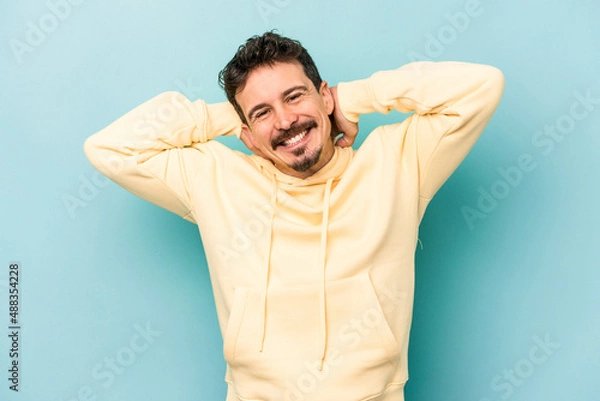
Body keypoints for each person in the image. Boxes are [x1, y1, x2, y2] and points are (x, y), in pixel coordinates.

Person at [84, 31, 504, 401]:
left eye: (294, 96)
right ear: (244, 134)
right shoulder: (214, 179)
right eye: (262, 113)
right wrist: (228, 117)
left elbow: (482, 87)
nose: (286, 121)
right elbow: (109, 149)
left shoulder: (398, 164)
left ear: (324, 97)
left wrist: (354, 96)